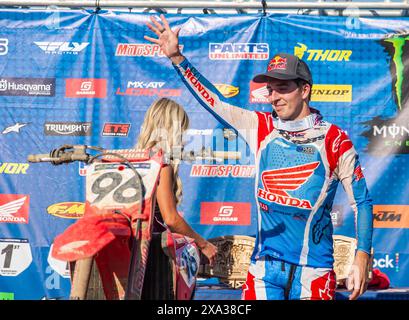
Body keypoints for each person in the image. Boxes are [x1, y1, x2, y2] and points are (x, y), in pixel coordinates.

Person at [144, 15, 373, 300]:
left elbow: (361, 202)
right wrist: (178, 58)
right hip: (265, 268)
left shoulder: (335, 139)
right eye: (271, 88)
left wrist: (362, 255)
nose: (274, 96)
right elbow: (215, 101)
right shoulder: (261, 127)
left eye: (283, 87)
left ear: (305, 90)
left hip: (314, 270)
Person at [136, 97, 218, 299]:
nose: (184, 138)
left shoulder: (135, 157)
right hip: (154, 256)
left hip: (132, 252)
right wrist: (203, 244)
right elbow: (171, 219)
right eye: (182, 130)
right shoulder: (161, 161)